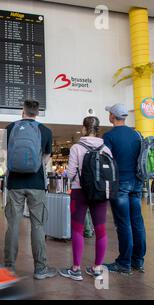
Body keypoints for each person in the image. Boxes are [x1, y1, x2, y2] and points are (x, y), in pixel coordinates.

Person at [4, 99, 57, 279]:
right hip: (36, 184)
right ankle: (40, 269)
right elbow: (46, 157)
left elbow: (8, 153)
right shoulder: (46, 131)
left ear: (23, 111)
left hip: (14, 184)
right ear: (38, 112)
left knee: (13, 225)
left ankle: (9, 267)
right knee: (38, 225)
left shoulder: (10, 128)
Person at [59, 117, 112, 281]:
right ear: (98, 129)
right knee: (101, 230)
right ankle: (97, 268)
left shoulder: (76, 147)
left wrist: (65, 174)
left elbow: (71, 173)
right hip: (101, 193)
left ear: (83, 129)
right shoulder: (106, 149)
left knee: (77, 229)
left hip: (79, 192)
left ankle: (76, 269)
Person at [103, 103, 146, 274]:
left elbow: (106, 162)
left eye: (110, 113)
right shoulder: (136, 134)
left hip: (120, 184)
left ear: (113, 116)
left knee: (123, 223)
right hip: (137, 183)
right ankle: (138, 261)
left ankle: (124, 263)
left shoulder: (109, 136)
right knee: (138, 222)